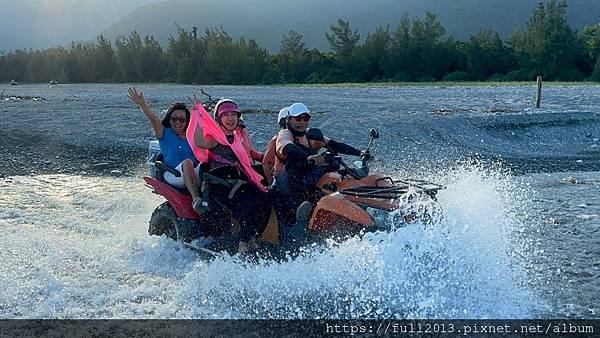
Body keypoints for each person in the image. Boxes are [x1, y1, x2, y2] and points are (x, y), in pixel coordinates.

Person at [188, 99, 271, 253]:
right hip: (219, 183)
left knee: (266, 199)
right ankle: (243, 244)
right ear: (219, 118)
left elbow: (249, 156)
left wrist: (268, 158)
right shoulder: (214, 138)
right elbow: (199, 142)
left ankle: (253, 237)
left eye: (234, 114)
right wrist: (198, 115)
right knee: (246, 204)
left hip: (239, 181)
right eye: (226, 114)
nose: (231, 118)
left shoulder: (237, 137)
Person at [274, 102, 363, 235]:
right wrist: (308, 158)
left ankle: (350, 197)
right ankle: (299, 207)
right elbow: (288, 148)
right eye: (298, 118)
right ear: (290, 119)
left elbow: (335, 144)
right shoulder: (285, 134)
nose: (302, 122)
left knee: (331, 162)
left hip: (307, 174)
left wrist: (359, 153)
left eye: (306, 118)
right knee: (295, 165)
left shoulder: (311, 135)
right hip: (286, 181)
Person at [127, 87, 205, 214]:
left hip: (193, 171)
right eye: (174, 119)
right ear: (169, 119)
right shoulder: (164, 133)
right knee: (187, 162)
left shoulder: (192, 134)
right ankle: (196, 199)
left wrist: (199, 111)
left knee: (207, 165)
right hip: (173, 174)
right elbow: (153, 118)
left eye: (182, 119)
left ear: (187, 121)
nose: (178, 122)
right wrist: (142, 104)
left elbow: (206, 137)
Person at [262, 106, 289, 185]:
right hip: (282, 180)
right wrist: (271, 181)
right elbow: (267, 163)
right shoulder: (276, 140)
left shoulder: (302, 138)